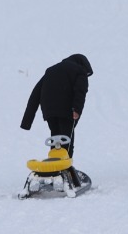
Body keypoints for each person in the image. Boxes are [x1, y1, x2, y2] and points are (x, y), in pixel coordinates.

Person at [19, 54, 92, 185]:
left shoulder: (51, 70)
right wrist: (77, 109)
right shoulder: (79, 71)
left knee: (56, 139)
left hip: (49, 110)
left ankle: (53, 171)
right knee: (67, 141)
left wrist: (27, 121)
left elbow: (35, 94)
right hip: (67, 109)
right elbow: (80, 90)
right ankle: (65, 174)